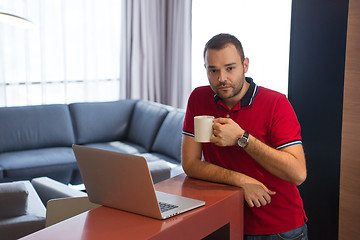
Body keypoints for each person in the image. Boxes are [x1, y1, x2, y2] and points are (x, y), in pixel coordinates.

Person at [181, 33, 308, 239]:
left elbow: (298, 174)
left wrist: (242, 138)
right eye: (213, 70)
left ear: (245, 65)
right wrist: (240, 180)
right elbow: (190, 163)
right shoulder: (198, 98)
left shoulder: (276, 103)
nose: (221, 78)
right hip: (224, 222)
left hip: (278, 228)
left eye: (230, 68)